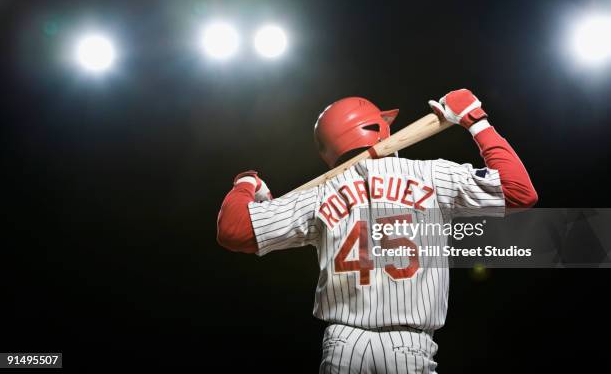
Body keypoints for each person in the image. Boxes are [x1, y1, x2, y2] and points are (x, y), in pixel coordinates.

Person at [216, 89, 537, 373]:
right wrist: (474, 119)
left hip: (343, 345)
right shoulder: (430, 176)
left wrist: (248, 183)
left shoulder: (318, 195)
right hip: (409, 347)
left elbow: (233, 230)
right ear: (379, 129)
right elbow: (519, 192)